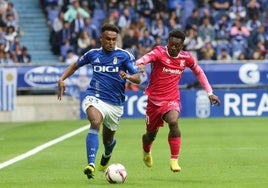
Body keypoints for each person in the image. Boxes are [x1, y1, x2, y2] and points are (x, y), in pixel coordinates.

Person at [57, 23, 141, 179]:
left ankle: (107, 153)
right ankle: (91, 164)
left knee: (108, 140)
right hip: (94, 97)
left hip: (115, 104)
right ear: (101, 39)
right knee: (95, 122)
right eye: (107, 39)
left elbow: (138, 77)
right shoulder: (92, 54)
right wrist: (62, 78)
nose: (110, 42)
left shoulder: (124, 56)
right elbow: (75, 66)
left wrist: (129, 77)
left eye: (113, 40)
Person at [135, 29, 221, 172]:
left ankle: (174, 160)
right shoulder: (159, 52)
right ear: (167, 42)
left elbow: (199, 72)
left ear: (182, 46)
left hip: (172, 99)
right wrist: (141, 64)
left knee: (173, 121)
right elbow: (142, 59)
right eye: (171, 44)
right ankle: (146, 150)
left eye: (177, 46)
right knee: (150, 135)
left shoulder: (186, 58)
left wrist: (210, 92)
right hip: (154, 101)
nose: (173, 48)